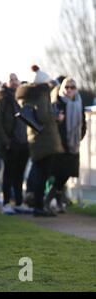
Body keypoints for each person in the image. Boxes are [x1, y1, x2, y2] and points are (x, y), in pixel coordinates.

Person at [15, 66, 64, 217]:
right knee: (43, 175)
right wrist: (55, 117)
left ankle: (37, 205)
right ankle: (39, 207)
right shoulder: (42, 95)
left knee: (38, 174)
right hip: (45, 139)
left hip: (36, 139)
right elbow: (43, 116)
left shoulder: (28, 95)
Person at [0, 74, 31, 215]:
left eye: (16, 79)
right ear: (6, 83)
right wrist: (6, 141)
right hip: (9, 143)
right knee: (7, 174)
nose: (14, 82)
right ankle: (6, 203)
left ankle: (19, 203)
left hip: (23, 143)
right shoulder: (2, 98)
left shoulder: (24, 99)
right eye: (11, 80)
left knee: (20, 175)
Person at [50, 77, 87, 213]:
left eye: (72, 87)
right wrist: (58, 120)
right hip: (60, 144)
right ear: (62, 88)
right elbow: (51, 124)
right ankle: (49, 201)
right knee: (60, 175)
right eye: (66, 87)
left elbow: (83, 125)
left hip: (73, 145)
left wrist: (78, 138)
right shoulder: (57, 102)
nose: (69, 90)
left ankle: (57, 202)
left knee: (65, 176)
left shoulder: (79, 102)